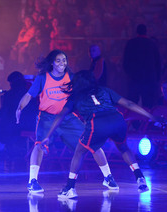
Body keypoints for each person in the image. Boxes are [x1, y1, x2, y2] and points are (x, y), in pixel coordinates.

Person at [41, 70, 164, 198]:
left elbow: (61, 115)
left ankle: (69, 188)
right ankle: (140, 178)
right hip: (117, 120)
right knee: (123, 148)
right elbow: (129, 103)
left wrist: (47, 136)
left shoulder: (76, 96)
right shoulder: (104, 90)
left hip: (97, 123)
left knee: (79, 151)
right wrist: (151, 116)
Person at [16, 50, 116, 194]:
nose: (62, 63)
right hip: (47, 118)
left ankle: (108, 177)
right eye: (58, 60)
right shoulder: (42, 78)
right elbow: (28, 95)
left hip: (67, 118)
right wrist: (19, 108)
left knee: (92, 142)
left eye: (64, 60)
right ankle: (32, 181)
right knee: (39, 145)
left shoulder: (72, 78)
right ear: (52, 63)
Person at [0, 71, 38, 160]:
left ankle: (1, 147)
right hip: (32, 125)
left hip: (15, 126)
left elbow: (3, 112)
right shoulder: (31, 93)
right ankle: (6, 146)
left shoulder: (10, 94)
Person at [123, 24, 161, 108]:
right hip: (149, 79)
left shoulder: (131, 43)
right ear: (146, 32)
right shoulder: (152, 44)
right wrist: (157, 78)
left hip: (134, 79)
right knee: (148, 105)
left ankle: (133, 121)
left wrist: (130, 75)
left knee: (132, 104)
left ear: (136, 32)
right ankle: (148, 121)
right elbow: (158, 63)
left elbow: (125, 62)